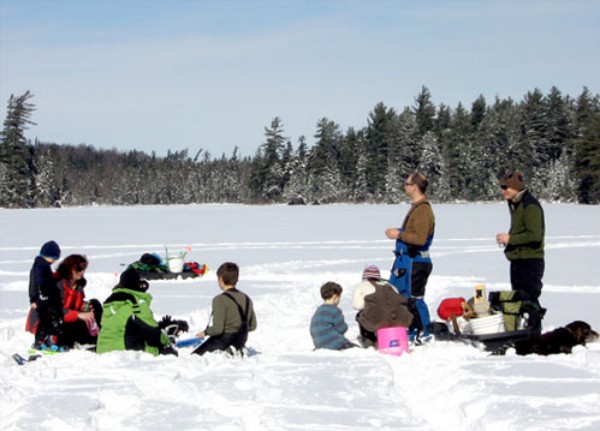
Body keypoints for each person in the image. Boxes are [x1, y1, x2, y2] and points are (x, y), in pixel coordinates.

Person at [385, 172, 435, 342]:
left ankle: (423, 332)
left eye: (407, 184)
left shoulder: (423, 210)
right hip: (407, 261)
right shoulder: (416, 208)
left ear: (415, 187)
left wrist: (398, 234)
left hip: (416, 261)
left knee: (415, 299)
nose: (404, 187)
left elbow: (420, 239)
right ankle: (412, 329)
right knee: (404, 297)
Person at [495, 170, 546, 328]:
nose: (503, 191)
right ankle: (519, 331)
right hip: (518, 259)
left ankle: (535, 332)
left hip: (531, 261)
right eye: (502, 187)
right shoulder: (516, 204)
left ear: (516, 188)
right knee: (518, 298)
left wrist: (511, 239)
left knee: (530, 299)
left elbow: (535, 235)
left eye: (506, 188)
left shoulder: (530, 206)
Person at [96, 268, 181, 356]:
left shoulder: (110, 303)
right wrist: (167, 342)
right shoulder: (136, 302)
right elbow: (153, 331)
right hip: (124, 351)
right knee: (163, 351)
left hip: (102, 350)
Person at [193, 262, 257, 356]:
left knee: (194, 357)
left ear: (220, 279)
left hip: (222, 343)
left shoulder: (219, 300)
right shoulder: (247, 299)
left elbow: (218, 329)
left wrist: (205, 332)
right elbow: (253, 326)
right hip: (240, 342)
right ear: (236, 279)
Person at [351, 265, 414, 348]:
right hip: (399, 319)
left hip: (378, 320)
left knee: (360, 315)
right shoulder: (390, 285)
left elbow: (357, 305)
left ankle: (369, 341)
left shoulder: (361, 286)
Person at [55, 254, 103, 348]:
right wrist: (78, 315)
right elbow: (57, 310)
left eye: (83, 269)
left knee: (95, 303)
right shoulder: (58, 286)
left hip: (72, 317)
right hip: (59, 323)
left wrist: (86, 307)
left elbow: (77, 303)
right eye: (79, 270)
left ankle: (100, 334)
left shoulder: (77, 285)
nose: (82, 272)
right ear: (70, 270)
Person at [27, 240, 64, 350]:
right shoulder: (40, 266)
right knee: (47, 319)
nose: (54, 261)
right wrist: (36, 298)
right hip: (42, 299)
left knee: (50, 319)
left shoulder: (43, 265)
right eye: (53, 258)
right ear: (46, 255)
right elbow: (38, 283)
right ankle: (40, 341)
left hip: (45, 298)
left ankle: (48, 340)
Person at [310, 281, 356, 350]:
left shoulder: (318, 311)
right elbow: (342, 328)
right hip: (335, 343)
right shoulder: (335, 310)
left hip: (319, 344)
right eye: (339, 297)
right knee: (356, 349)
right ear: (335, 297)